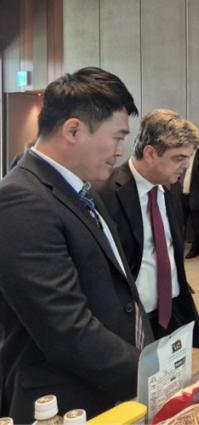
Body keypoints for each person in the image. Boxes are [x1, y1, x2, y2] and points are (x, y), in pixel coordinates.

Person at [0, 67, 153, 422]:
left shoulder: (81, 187)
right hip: (65, 400)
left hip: (107, 387)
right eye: (117, 138)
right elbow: (65, 328)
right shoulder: (21, 200)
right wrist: (147, 372)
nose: (120, 152)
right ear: (73, 130)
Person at [96, 109, 199, 348]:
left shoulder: (171, 188)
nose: (186, 166)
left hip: (173, 311)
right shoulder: (104, 193)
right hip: (133, 319)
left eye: (188, 157)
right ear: (150, 153)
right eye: (179, 158)